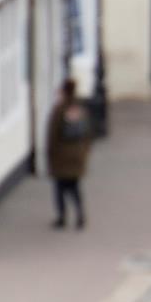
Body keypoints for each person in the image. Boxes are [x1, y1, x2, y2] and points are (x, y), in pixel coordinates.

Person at [46, 78, 92, 229]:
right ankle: (80, 215)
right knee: (75, 187)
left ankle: (62, 217)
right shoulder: (80, 109)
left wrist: (49, 153)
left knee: (60, 187)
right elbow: (88, 133)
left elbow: (53, 134)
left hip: (61, 155)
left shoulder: (59, 110)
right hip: (77, 154)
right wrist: (85, 151)